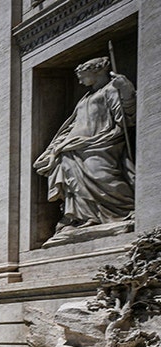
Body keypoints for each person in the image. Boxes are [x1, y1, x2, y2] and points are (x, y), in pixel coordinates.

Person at [33, 56, 135, 237]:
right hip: (74, 146)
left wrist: (126, 90)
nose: (79, 80)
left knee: (102, 174)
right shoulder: (84, 98)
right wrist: (55, 147)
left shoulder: (111, 90)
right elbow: (73, 125)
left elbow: (127, 116)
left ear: (95, 72)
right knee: (72, 180)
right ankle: (83, 217)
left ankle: (125, 209)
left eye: (83, 75)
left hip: (102, 142)